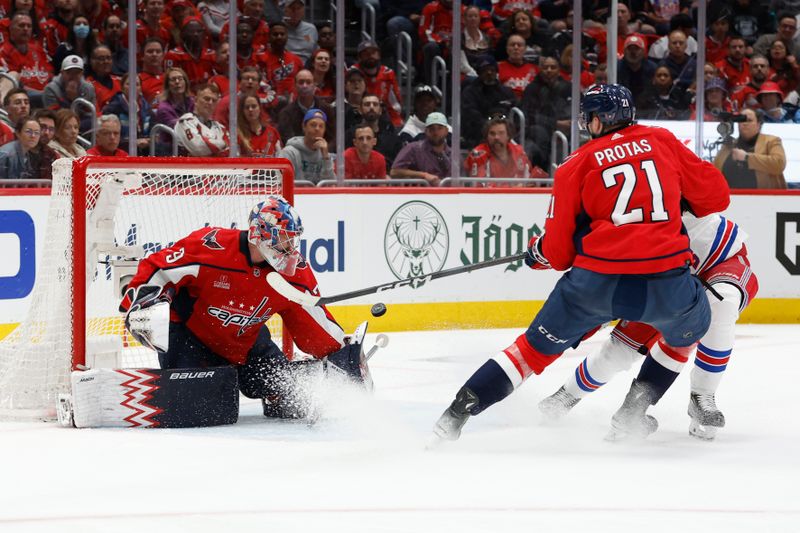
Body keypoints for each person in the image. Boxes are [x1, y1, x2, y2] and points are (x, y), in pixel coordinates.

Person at [432, 84, 731, 442]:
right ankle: (637, 407)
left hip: (595, 284)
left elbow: (558, 255)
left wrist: (539, 251)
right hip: (665, 282)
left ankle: (453, 417)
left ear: (600, 118)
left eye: (588, 116)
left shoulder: (574, 164)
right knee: (687, 328)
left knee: (529, 352)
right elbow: (716, 197)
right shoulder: (663, 140)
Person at [120, 196, 370, 421]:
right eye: (282, 239)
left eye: (292, 240)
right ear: (258, 233)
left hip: (245, 341)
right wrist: (143, 304)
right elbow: (159, 268)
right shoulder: (211, 246)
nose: (289, 248)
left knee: (291, 395)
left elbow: (313, 324)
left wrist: (342, 354)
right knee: (202, 408)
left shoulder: (295, 273)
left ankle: (275, 391)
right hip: (189, 336)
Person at [539, 211, 758, 441]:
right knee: (620, 348)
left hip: (715, 253)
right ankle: (568, 397)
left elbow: (711, 192)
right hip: (662, 267)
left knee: (722, 303)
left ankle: (703, 396)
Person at [714, 108, 787, 189]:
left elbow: (779, 164)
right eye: (741, 120)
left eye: (749, 120)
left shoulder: (771, 141)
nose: (745, 123)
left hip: (765, 198)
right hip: (731, 197)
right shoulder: (728, 146)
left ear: (758, 124)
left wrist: (747, 157)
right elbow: (714, 171)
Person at [464, 115, 546, 185]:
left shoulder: (519, 152)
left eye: (501, 133)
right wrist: (514, 188)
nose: (496, 137)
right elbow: (479, 187)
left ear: (508, 136)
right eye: (492, 133)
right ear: (486, 136)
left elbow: (528, 180)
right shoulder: (478, 154)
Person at [461, 54, 516, 149]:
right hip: (479, 136)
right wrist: (492, 128)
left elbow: (514, 113)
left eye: (492, 69)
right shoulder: (470, 92)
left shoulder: (506, 92)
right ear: (478, 72)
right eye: (485, 70)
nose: (489, 73)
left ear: (496, 71)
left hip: (506, 134)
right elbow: (472, 117)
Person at [390, 111, 451, 186]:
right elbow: (394, 172)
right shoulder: (413, 148)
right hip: (419, 195)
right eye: (431, 129)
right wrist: (423, 175)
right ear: (425, 131)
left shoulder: (454, 154)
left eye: (439, 128)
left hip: (448, 195)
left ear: (446, 131)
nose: (435, 132)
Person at [352, 40, 404, 128]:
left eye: (373, 52)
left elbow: (394, 104)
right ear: (359, 57)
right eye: (366, 53)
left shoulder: (388, 73)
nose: (370, 55)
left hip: (382, 116)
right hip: (357, 116)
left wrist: (396, 122)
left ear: (379, 55)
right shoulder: (353, 72)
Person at [344, 93, 400, 170]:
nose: (371, 107)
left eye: (375, 104)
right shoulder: (350, 135)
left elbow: (396, 165)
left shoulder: (391, 138)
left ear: (380, 110)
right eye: (367, 104)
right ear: (360, 110)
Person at [278, 108, 334, 184]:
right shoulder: (289, 153)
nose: (317, 129)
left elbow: (330, 185)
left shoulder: (325, 153)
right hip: (296, 195)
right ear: (304, 126)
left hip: (319, 195)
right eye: (313, 125)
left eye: (321, 126)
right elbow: (281, 183)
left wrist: (326, 159)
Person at [174, 83, 230, 157]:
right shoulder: (186, 121)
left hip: (216, 168)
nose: (210, 103)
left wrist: (211, 146)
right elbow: (198, 148)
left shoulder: (220, 128)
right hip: (190, 167)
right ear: (196, 100)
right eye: (207, 99)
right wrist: (223, 144)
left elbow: (231, 150)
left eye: (214, 100)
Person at [153, 67, 194, 155]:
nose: (177, 82)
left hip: (190, 149)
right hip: (170, 152)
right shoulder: (163, 108)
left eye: (180, 78)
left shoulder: (192, 102)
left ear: (185, 82)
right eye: (173, 79)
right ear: (168, 85)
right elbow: (180, 129)